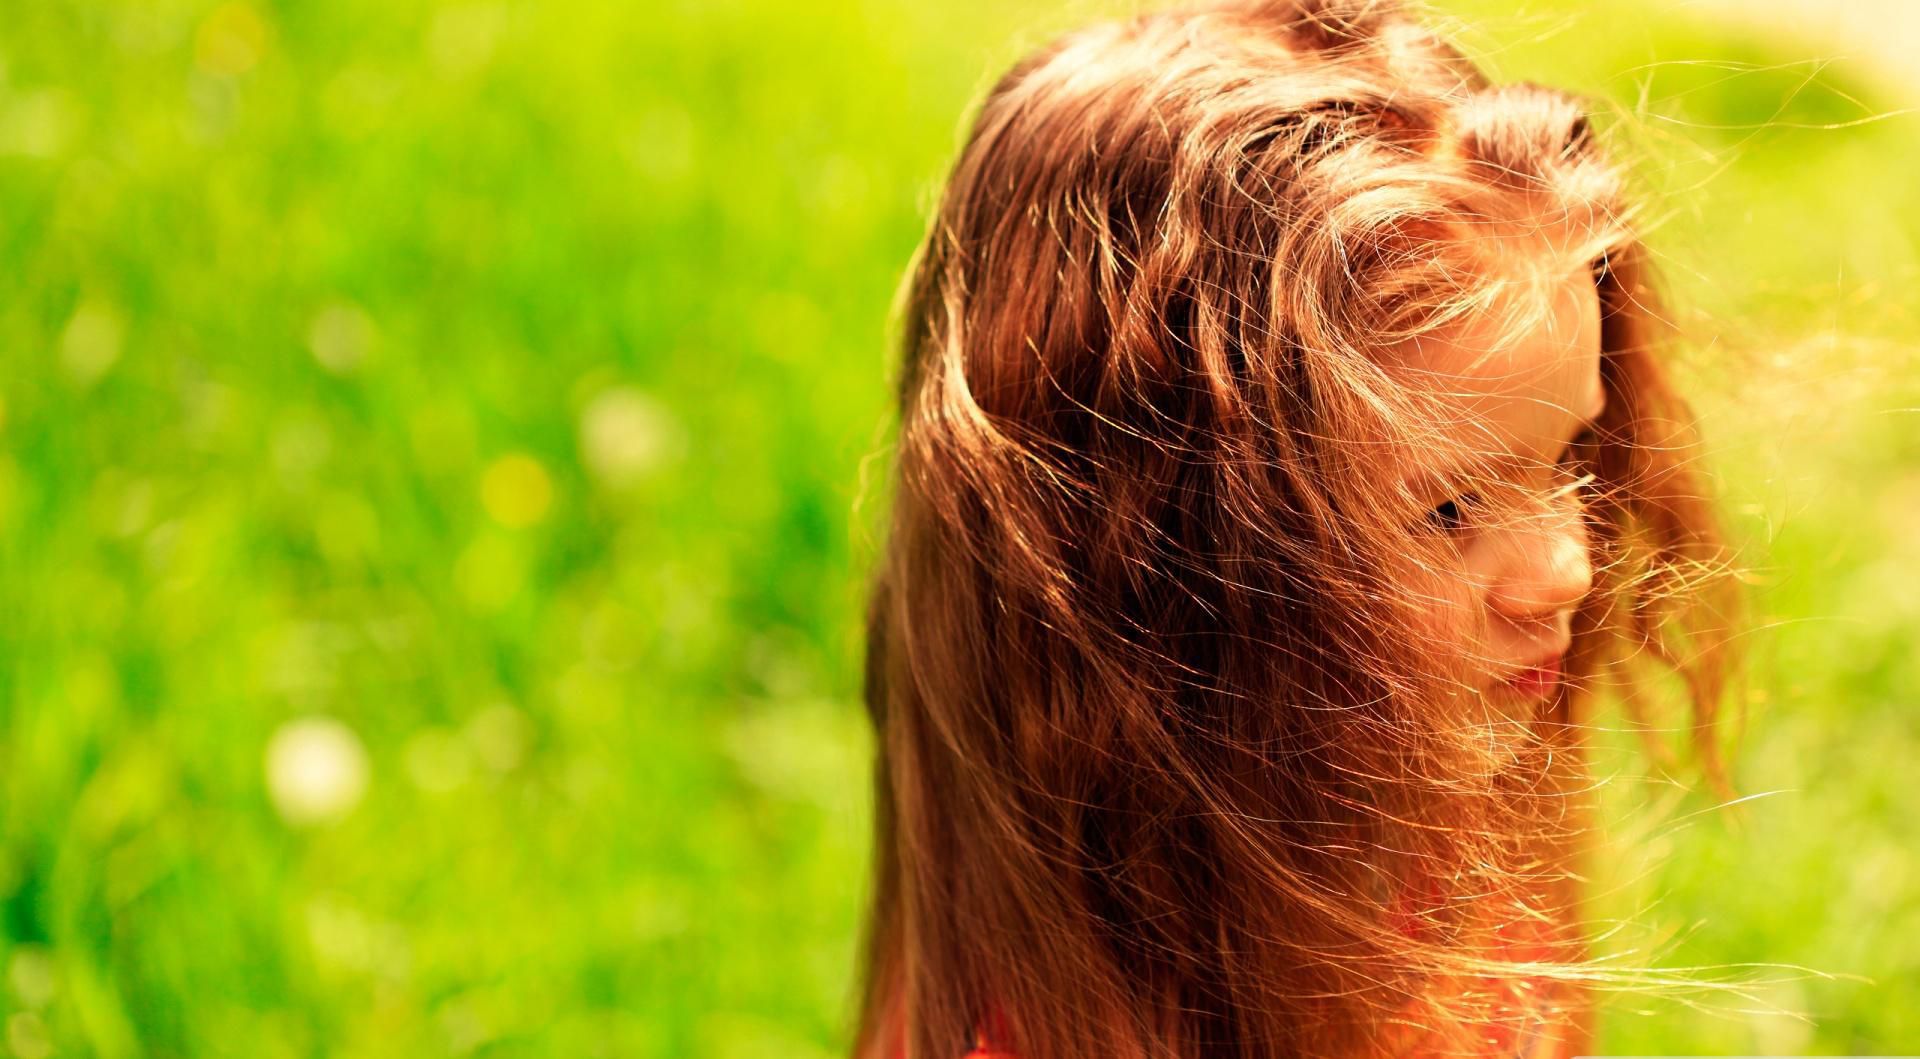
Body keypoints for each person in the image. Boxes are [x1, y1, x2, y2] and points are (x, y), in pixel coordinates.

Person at [853, 1, 1741, 1055]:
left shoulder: (1414, 823)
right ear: (1163, 573)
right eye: (1448, 509)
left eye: (1563, 463)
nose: (1565, 568)